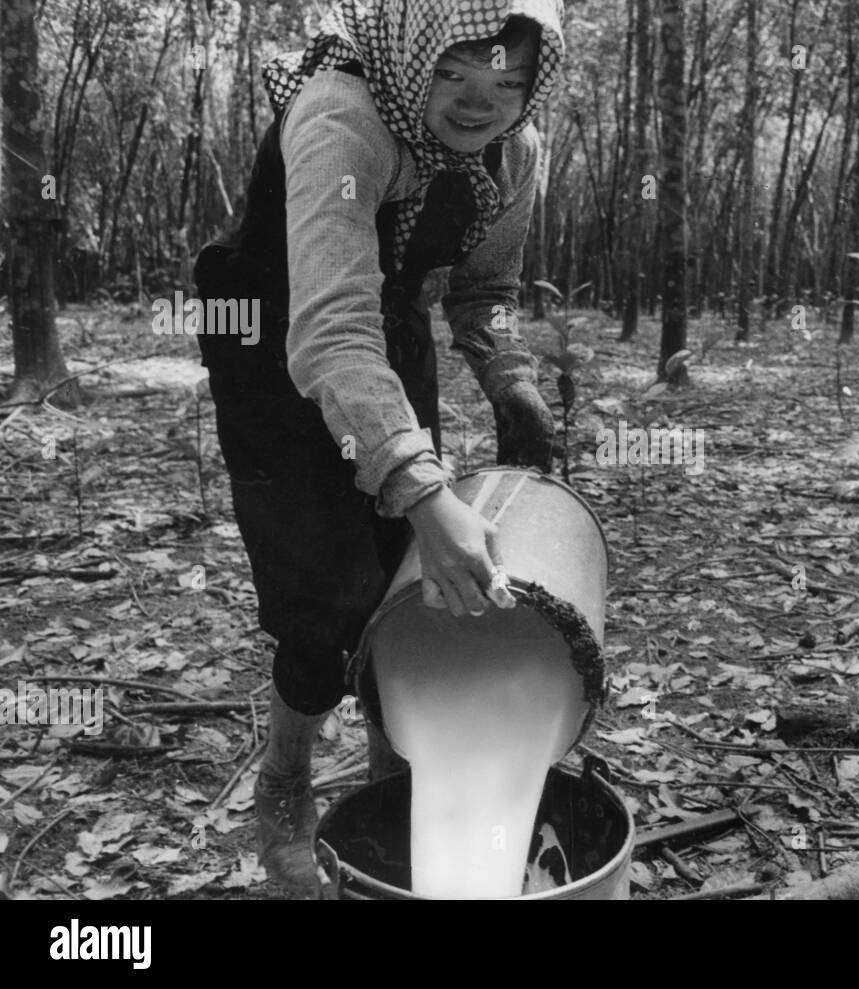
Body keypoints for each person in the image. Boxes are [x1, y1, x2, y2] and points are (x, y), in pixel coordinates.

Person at [193, 0, 565, 898]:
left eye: (507, 86)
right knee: (323, 584)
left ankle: (391, 769)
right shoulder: (340, 114)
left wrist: (511, 381)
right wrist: (419, 483)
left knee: (404, 570)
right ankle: (284, 782)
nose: (481, 106)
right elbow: (326, 333)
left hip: (381, 320)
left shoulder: (515, 158)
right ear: (411, 57)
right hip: (265, 326)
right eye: (455, 76)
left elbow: (488, 292)